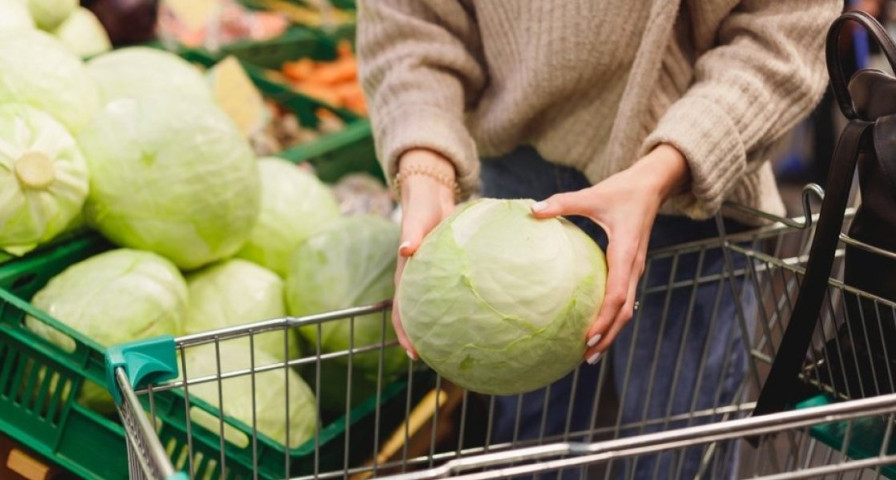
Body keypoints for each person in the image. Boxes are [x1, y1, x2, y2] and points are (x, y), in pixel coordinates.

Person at [357, 1, 842, 478]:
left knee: (675, 441)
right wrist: (425, 167)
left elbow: (785, 27)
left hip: (685, 183)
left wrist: (664, 169)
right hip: (513, 186)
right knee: (527, 443)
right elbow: (410, 21)